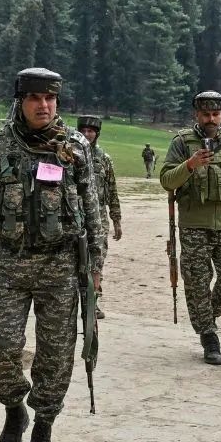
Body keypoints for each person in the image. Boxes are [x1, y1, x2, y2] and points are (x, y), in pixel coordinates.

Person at [0, 68, 104, 442]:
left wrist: (96, 265)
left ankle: (44, 421)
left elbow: (92, 209)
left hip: (60, 264)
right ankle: (14, 409)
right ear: (21, 101)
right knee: (3, 346)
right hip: (10, 262)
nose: (43, 105)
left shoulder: (75, 147)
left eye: (50, 98)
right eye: (34, 98)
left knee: (56, 352)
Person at [161, 90, 221, 366]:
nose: (211, 119)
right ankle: (209, 336)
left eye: (216, 114)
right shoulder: (182, 143)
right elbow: (166, 181)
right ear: (196, 115)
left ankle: (209, 312)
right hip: (193, 227)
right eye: (205, 114)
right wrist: (190, 165)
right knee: (197, 283)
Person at [75, 115, 122, 318]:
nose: (87, 135)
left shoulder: (104, 159)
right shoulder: (69, 155)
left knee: (97, 260)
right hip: (75, 214)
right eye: (83, 131)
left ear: (97, 134)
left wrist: (116, 219)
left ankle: (92, 303)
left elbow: (112, 190)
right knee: (74, 259)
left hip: (99, 217)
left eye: (91, 131)